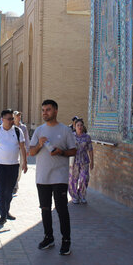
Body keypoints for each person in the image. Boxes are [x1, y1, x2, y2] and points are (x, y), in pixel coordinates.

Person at [30, 99, 76, 256]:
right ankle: (48, 237)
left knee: (62, 209)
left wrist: (61, 152)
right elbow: (31, 152)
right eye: (43, 110)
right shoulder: (39, 130)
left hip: (59, 177)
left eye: (48, 110)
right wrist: (39, 145)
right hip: (42, 176)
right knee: (45, 209)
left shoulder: (65, 130)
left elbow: (73, 151)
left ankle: (66, 240)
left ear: (55, 111)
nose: (44, 112)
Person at [0, 109, 28, 225]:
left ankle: (6, 210)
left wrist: (25, 163)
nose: (12, 121)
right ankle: (2, 215)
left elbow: (22, 147)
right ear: (2, 119)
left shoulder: (18, 131)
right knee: (1, 190)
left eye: (12, 118)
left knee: (9, 191)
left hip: (14, 165)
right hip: (0, 165)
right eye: (9, 119)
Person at [69, 118, 94, 204]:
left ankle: (82, 195)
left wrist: (92, 161)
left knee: (84, 178)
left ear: (83, 126)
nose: (79, 127)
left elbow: (90, 150)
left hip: (84, 160)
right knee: (74, 179)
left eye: (81, 125)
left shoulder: (87, 137)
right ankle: (75, 196)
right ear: (75, 127)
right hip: (74, 161)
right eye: (78, 125)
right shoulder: (71, 136)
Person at [13, 110, 30, 194]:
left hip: (21, 149)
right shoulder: (10, 126)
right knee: (15, 166)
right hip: (13, 149)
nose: (19, 117)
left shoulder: (23, 127)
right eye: (17, 116)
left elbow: (26, 139)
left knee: (20, 167)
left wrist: (28, 149)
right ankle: (15, 185)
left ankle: (16, 180)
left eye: (19, 116)